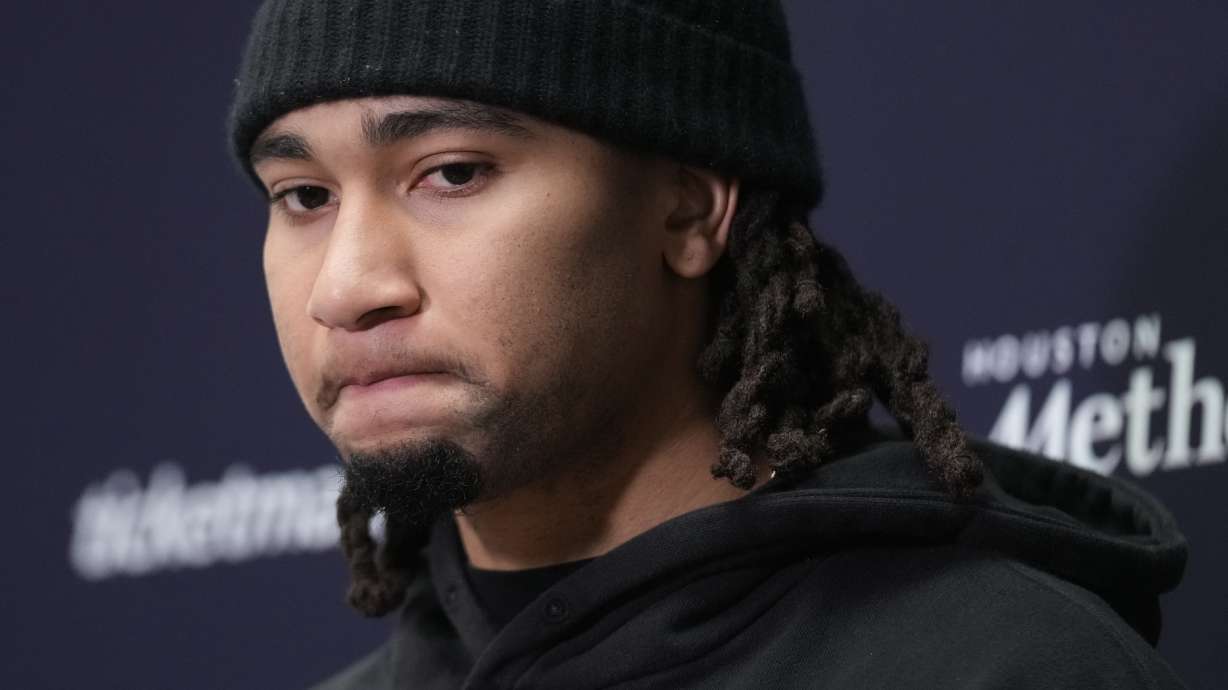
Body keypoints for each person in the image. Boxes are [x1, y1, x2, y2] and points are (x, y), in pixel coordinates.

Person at [226, 1, 1188, 687]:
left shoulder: (1005, 667)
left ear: (689, 208)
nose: (346, 288)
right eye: (303, 197)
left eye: (452, 173)